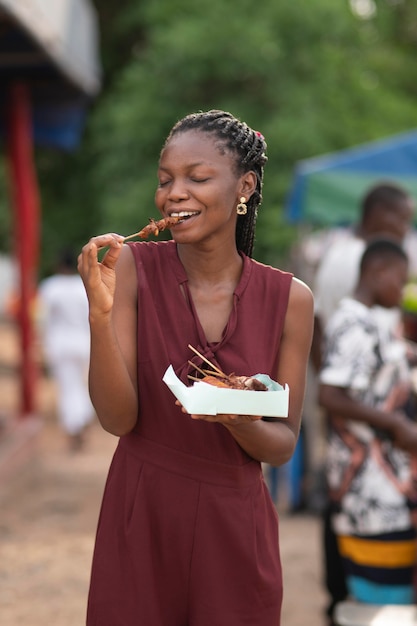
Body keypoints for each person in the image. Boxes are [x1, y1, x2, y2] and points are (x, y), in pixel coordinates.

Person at [77, 109, 314, 626]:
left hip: (235, 526)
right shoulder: (134, 270)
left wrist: (238, 418)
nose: (174, 194)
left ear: (244, 187)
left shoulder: (291, 299)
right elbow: (118, 420)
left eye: (197, 178)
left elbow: (283, 443)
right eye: (165, 181)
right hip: (143, 510)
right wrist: (100, 314)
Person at [307, 182, 416, 622]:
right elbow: (333, 392)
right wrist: (394, 424)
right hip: (369, 488)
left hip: (381, 481)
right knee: (378, 601)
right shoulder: (356, 316)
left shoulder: (364, 313)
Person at [38, 249, 95, 451]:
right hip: (84, 343)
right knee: (83, 385)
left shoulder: (50, 287)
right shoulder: (83, 287)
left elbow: (41, 318)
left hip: (60, 344)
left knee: (68, 387)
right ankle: (84, 415)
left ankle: (75, 424)